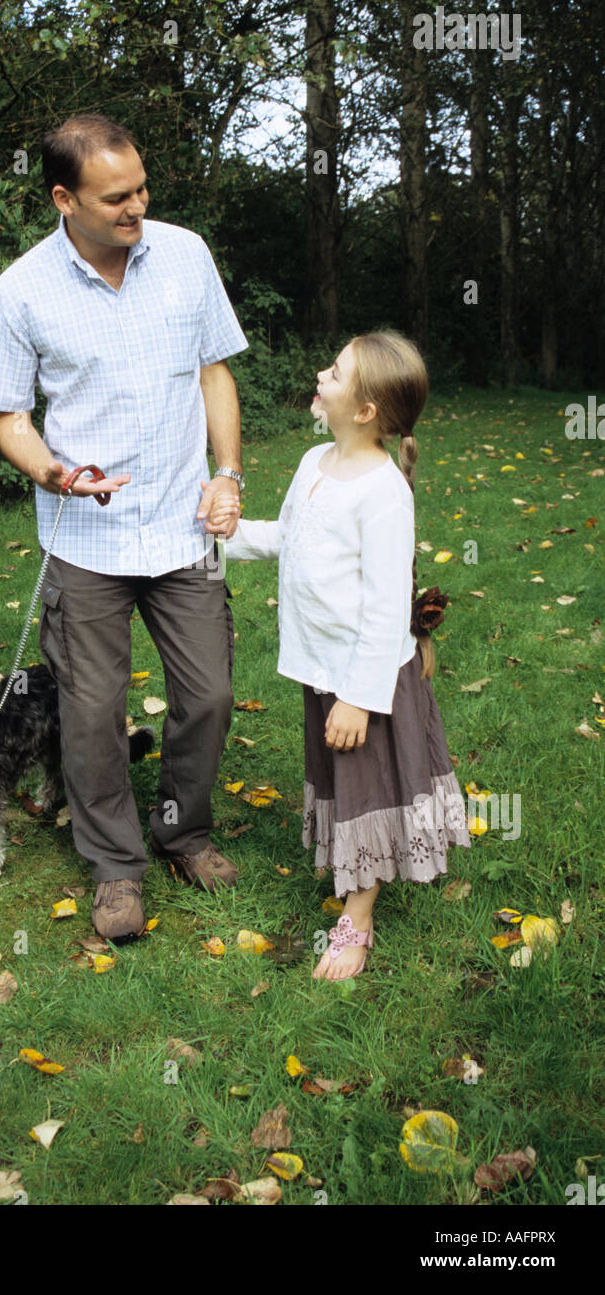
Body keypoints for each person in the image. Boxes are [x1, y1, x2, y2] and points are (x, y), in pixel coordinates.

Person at [0, 114, 248, 943]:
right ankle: (115, 867)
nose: (137, 208)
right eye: (115, 197)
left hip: (179, 524)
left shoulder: (185, 253)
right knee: (91, 715)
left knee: (208, 695)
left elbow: (214, 371)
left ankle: (182, 832)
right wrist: (50, 470)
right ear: (64, 198)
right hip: (83, 537)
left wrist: (227, 473)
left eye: (141, 189)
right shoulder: (20, 289)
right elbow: (9, 415)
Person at [214, 330, 470, 981]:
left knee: (366, 787)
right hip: (323, 666)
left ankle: (358, 917)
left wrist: (357, 697)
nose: (319, 375)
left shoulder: (383, 493)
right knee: (342, 781)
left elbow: (387, 609)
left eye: (333, 371)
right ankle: (353, 873)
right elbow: (291, 539)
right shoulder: (313, 462)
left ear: (362, 410)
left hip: (367, 676)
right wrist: (225, 538)